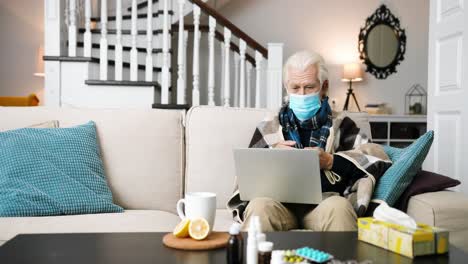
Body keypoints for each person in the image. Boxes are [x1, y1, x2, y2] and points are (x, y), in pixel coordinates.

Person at [227, 50, 392, 232]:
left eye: (309, 87)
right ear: (286, 87)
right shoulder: (269, 126)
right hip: (277, 206)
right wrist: (272, 154)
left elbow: (374, 161)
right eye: (295, 88)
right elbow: (247, 176)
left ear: (324, 86)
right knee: (258, 207)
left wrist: (330, 161)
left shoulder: (343, 125)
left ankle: (345, 261)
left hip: (324, 204)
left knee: (339, 207)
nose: (302, 94)